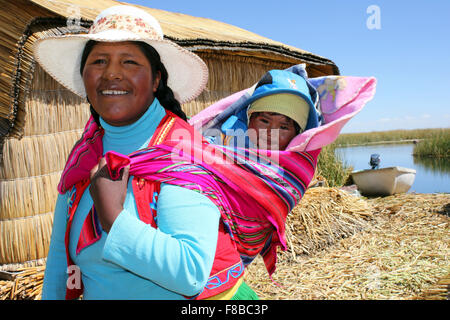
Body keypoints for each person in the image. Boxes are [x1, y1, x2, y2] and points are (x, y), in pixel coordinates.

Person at [35, 5, 255, 300]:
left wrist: (114, 218)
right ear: (84, 77)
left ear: (156, 80)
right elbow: (59, 265)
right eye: (99, 61)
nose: (112, 73)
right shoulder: (84, 155)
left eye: (129, 62)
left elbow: (190, 274)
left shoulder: (180, 153)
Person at [211, 69, 319, 151]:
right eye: (264, 121)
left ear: (296, 135)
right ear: (248, 119)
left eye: (283, 127)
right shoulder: (225, 141)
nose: (271, 133)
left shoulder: (294, 167)